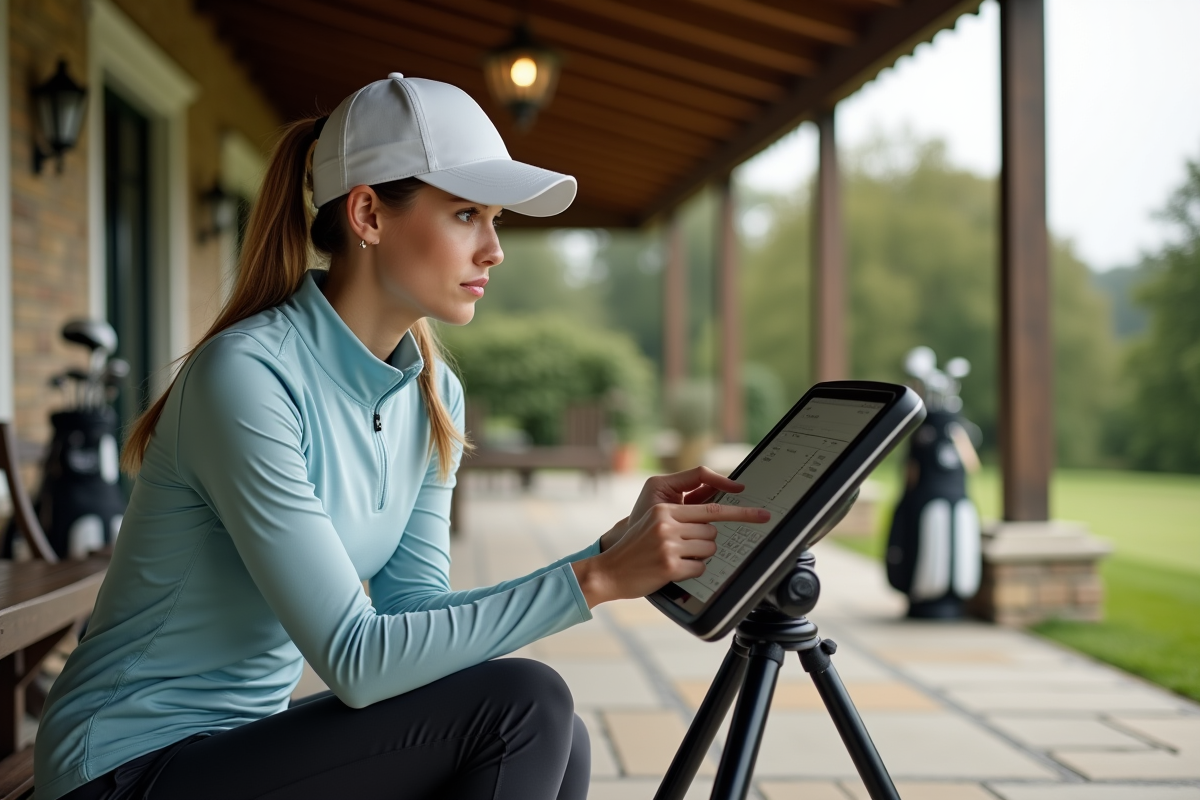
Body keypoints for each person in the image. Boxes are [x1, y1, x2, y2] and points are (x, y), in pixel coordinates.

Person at [33, 74, 769, 800]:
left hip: (235, 747)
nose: (493, 250)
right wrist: (597, 580)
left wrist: (607, 552)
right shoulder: (249, 378)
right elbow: (356, 658)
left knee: (557, 731)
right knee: (524, 707)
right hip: (121, 770)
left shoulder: (431, 392)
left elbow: (408, 610)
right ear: (368, 214)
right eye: (465, 215)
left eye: (495, 220)